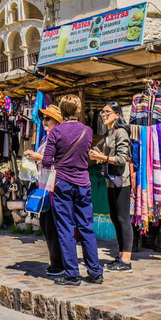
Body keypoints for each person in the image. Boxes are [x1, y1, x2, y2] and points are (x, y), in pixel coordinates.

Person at [42, 94, 103, 286]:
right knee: (86, 228)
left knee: (66, 229)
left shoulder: (56, 133)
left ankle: (72, 274)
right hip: (83, 183)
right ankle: (95, 272)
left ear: (62, 111)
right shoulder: (87, 131)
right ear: (78, 110)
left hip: (63, 184)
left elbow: (46, 161)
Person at [89, 101, 133, 272]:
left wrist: (104, 158)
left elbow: (122, 159)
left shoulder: (121, 132)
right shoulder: (109, 133)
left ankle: (126, 260)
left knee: (123, 219)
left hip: (122, 180)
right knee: (115, 218)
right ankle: (121, 255)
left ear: (117, 114)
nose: (103, 115)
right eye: (102, 112)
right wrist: (100, 156)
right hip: (111, 179)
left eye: (107, 112)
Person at [23, 104, 65, 277]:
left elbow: (58, 160)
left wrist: (38, 156)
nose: (44, 121)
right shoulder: (45, 139)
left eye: (48, 118)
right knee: (45, 225)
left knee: (52, 226)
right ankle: (54, 260)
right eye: (43, 118)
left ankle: (59, 263)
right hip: (44, 186)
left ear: (57, 121)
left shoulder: (59, 139)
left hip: (54, 187)